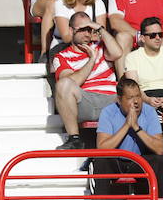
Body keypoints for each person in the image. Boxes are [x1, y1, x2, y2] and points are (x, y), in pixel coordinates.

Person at [94, 77, 163, 200]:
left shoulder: (149, 111)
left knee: (161, 161)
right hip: (116, 162)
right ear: (119, 100)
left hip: (140, 161)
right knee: (101, 162)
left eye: (138, 97)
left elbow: (159, 148)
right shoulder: (108, 112)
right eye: (130, 98)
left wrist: (136, 127)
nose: (135, 102)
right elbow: (102, 148)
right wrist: (126, 125)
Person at [52, 13, 123, 149]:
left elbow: (117, 53)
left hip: (111, 99)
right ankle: (74, 139)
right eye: (82, 29)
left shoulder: (101, 46)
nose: (87, 33)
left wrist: (100, 28)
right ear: (71, 31)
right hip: (85, 102)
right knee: (63, 84)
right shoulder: (62, 56)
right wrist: (91, 59)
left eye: (89, 29)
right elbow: (71, 82)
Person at [124, 17, 163, 110]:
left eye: (160, 34)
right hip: (144, 98)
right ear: (143, 38)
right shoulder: (132, 57)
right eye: (152, 35)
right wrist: (147, 100)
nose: (158, 38)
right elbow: (134, 86)